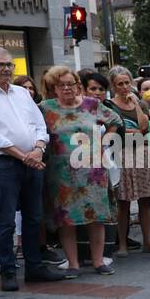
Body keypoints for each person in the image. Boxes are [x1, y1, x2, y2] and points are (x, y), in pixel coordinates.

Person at [0, 47, 65, 291]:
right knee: (6, 220)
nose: (6, 69)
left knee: (34, 217)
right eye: (0, 64)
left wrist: (39, 149)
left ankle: (34, 267)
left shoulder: (22, 93)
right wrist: (25, 157)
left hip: (33, 161)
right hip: (6, 164)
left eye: (10, 64)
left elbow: (40, 125)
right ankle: (8, 271)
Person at [38, 66, 121, 277]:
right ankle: (73, 264)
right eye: (61, 85)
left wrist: (103, 142)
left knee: (96, 217)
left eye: (71, 83)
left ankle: (99, 261)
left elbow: (115, 121)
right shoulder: (45, 108)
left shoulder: (91, 104)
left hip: (93, 171)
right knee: (66, 219)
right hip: (61, 173)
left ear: (78, 85)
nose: (67, 88)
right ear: (53, 88)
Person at [106, 66, 150, 257]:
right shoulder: (109, 105)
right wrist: (132, 132)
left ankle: (147, 241)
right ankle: (122, 244)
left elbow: (145, 127)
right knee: (123, 201)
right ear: (113, 86)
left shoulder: (140, 103)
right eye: (119, 84)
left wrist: (136, 104)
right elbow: (116, 131)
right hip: (121, 154)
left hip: (143, 153)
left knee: (146, 199)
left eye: (127, 83)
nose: (124, 87)